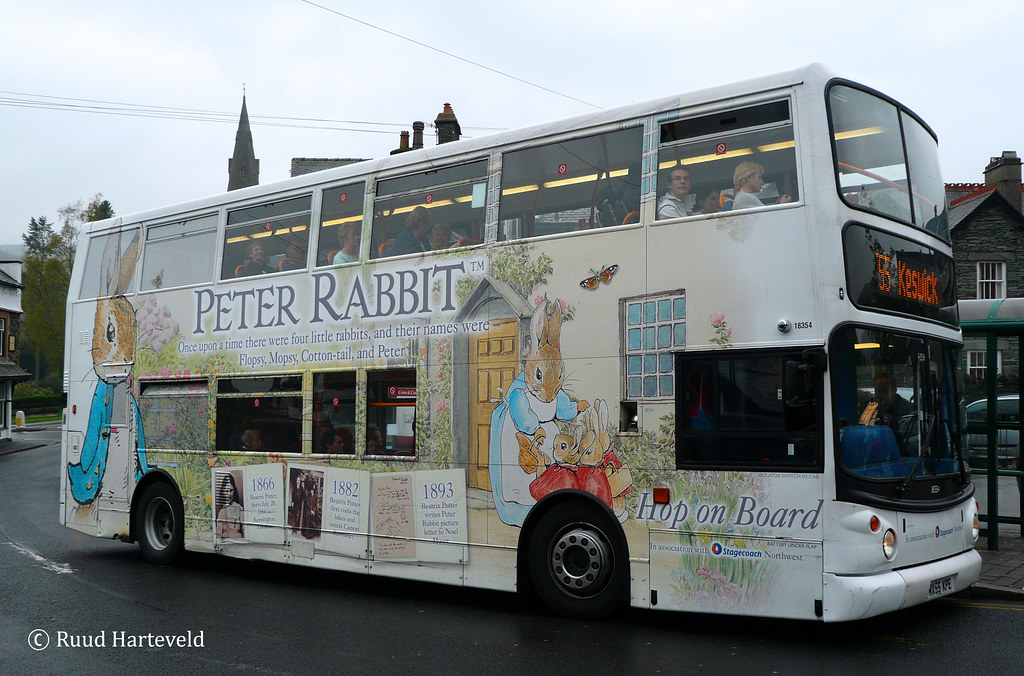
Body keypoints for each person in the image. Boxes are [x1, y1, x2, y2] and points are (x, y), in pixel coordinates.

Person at [215, 471, 245, 538]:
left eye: (231, 490)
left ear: (234, 491)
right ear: (223, 492)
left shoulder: (239, 508)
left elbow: (245, 529)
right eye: (226, 491)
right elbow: (218, 533)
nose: (229, 494)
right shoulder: (222, 511)